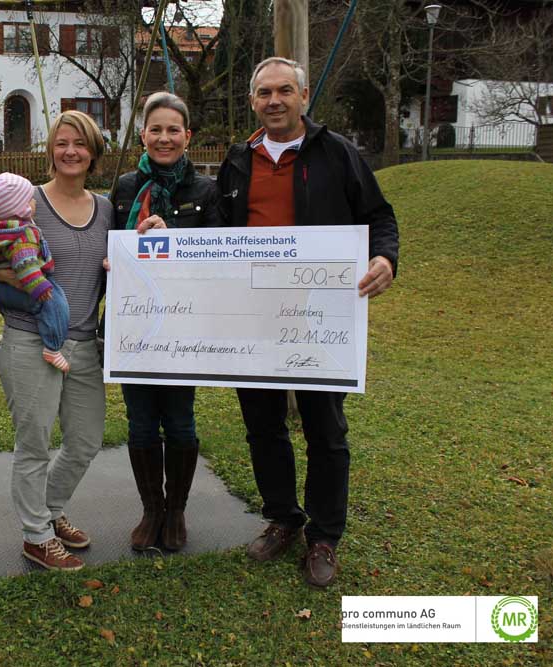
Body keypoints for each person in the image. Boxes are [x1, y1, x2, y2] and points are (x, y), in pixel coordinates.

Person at [216, 57, 399, 587]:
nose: (274, 101)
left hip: (321, 318)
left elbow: (379, 215)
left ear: (302, 97)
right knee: (262, 425)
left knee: (325, 428)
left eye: (284, 91)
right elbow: (214, 230)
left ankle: (323, 537)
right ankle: (282, 518)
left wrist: (384, 258)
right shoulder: (237, 160)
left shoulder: (336, 153)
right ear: (252, 101)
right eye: (264, 93)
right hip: (253, 318)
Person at [0, 111, 113, 572]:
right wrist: (20, 275)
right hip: (30, 339)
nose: (70, 151)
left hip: (85, 343)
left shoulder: (104, 208)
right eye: (62, 142)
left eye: (80, 144)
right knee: (34, 444)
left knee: (85, 440)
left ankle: (48, 509)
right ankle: (36, 536)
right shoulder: (26, 203)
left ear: (93, 152)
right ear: (50, 149)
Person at [111, 92, 220, 552]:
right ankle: (150, 509)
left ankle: (175, 511)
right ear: (142, 135)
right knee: (139, 423)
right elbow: (109, 243)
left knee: (179, 421)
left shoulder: (206, 191)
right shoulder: (122, 188)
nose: (164, 137)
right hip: (134, 325)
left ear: (187, 136)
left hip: (183, 327)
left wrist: (172, 241)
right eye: (155, 129)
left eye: (173, 129)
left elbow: (219, 257)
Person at [0, 172, 71, 373]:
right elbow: (25, 263)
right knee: (56, 304)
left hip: (3, 287)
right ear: (21, 208)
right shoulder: (23, 234)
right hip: (24, 285)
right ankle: (53, 347)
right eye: (30, 199)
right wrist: (40, 287)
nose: (34, 201)